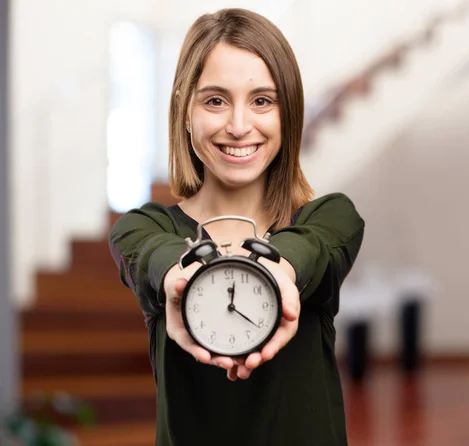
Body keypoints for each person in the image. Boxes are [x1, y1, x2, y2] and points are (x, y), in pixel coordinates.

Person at [108, 8, 364, 446]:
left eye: (262, 101)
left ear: (289, 114)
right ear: (184, 112)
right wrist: (178, 276)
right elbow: (148, 252)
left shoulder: (328, 218)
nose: (240, 126)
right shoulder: (145, 227)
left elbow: (313, 248)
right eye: (215, 100)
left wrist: (279, 270)